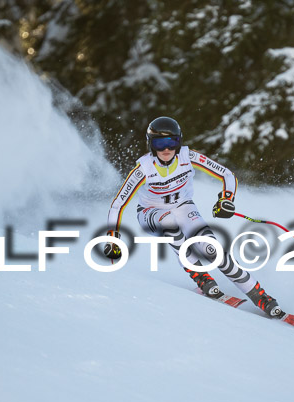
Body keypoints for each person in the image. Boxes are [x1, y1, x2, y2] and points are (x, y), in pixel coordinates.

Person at [103, 116, 284, 318]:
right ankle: (200, 275)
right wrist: (112, 237)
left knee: (213, 251)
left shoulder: (188, 157)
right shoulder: (143, 169)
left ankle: (261, 296)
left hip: (183, 207)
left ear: (179, 142)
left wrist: (226, 199)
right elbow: (118, 202)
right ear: (150, 145)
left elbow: (227, 175)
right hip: (150, 214)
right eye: (159, 143)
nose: (166, 149)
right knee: (168, 222)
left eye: (171, 143)